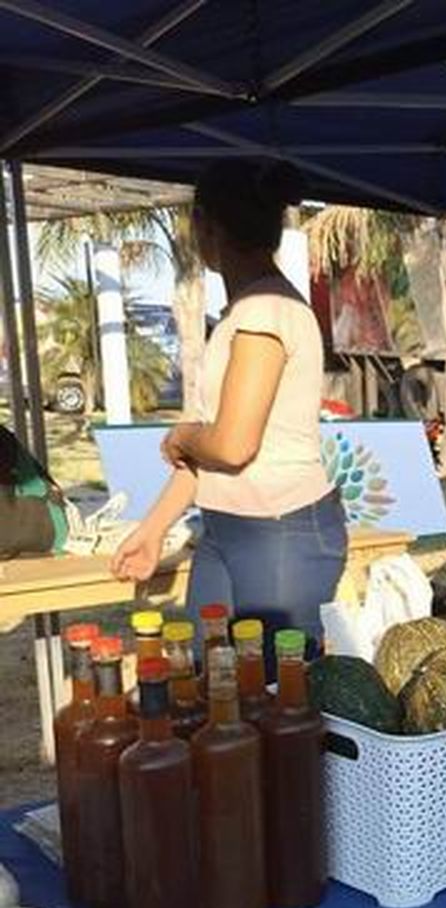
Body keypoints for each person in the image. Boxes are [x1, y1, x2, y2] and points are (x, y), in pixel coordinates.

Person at [112, 159, 347, 653]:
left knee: (269, 701)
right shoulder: (245, 313)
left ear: (204, 225)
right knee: (210, 685)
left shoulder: (265, 312)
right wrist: (152, 530)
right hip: (228, 528)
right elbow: (214, 454)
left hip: (281, 532)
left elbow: (231, 444)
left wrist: (181, 436)